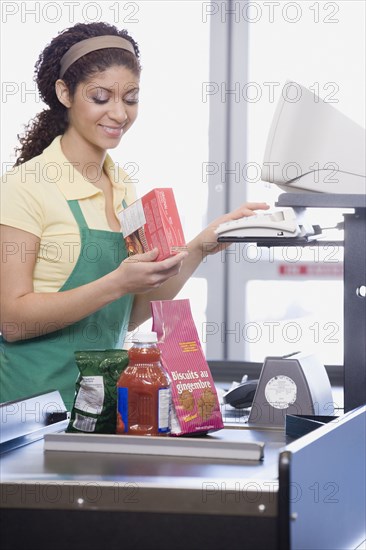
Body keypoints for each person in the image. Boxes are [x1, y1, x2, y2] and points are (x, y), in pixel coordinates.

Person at [0, 22, 268, 410]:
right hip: (25, 413)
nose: (119, 113)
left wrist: (200, 246)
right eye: (100, 97)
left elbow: (128, 316)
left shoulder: (123, 187)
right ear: (64, 93)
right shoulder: (25, 186)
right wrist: (116, 282)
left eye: (130, 98)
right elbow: (12, 319)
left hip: (95, 408)